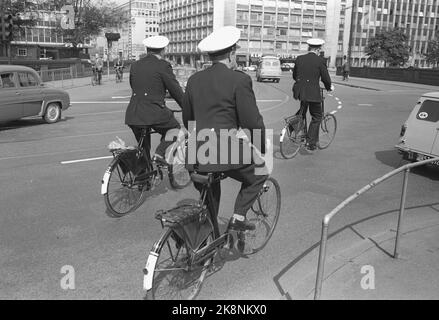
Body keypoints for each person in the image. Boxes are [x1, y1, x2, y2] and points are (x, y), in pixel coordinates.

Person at [182, 26, 267, 232]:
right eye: (235, 52)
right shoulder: (239, 79)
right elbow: (252, 122)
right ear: (231, 54)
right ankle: (238, 218)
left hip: (197, 151)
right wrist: (261, 147)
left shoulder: (194, 79)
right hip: (225, 149)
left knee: (210, 192)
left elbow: (188, 119)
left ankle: (208, 245)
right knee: (260, 172)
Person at [125, 35, 184, 166]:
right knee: (174, 128)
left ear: (147, 50)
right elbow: (176, 91)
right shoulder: (163, 65)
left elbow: (134, 86)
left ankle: (144, 180)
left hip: (133, 113)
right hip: (154, 111)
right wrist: (187, 106)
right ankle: (159, 154)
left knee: (143, 149)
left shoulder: (135, 65)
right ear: (163, 50)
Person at [292, 38, 333, 151]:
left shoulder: (300, 59)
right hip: (313, 93)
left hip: (301, 92)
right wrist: (329, 87)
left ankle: (292, 127)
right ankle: (310, 142)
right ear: (319, 49)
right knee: (317, 116)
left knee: (302, 113)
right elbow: (326, 78)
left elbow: (295, 76)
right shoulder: (320, 61)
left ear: (309, 47)